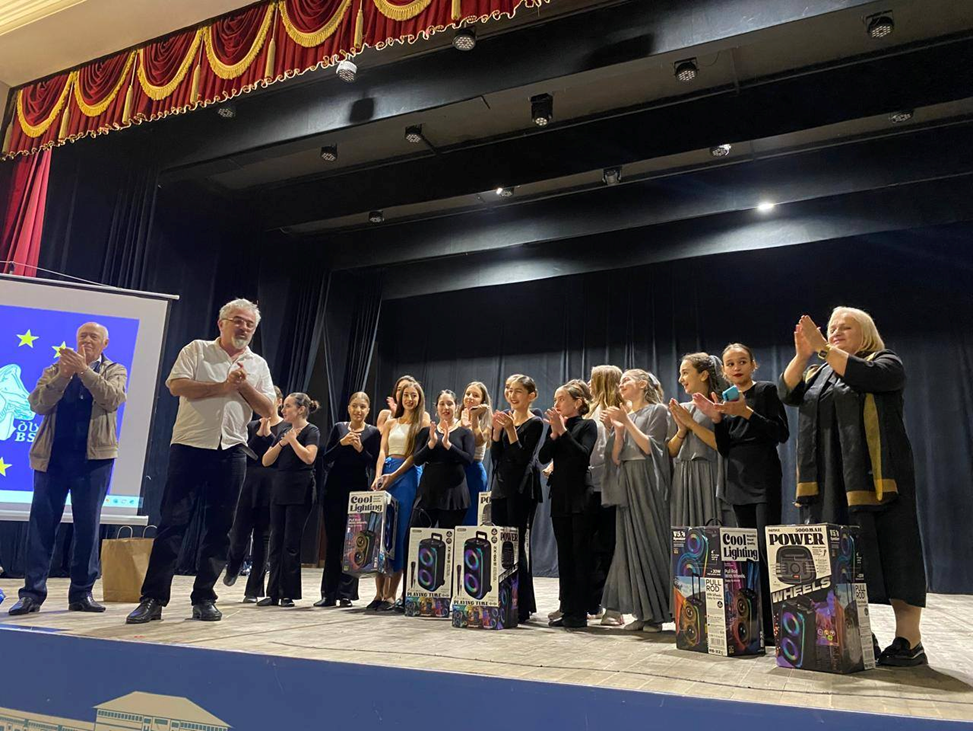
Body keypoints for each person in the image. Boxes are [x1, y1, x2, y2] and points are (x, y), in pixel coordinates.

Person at [780, 307, 927, 667]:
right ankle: (857, 633)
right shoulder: (819, 373)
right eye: (832, 328)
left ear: (866, 332)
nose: (835, 332)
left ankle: (909, 641)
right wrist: (803, 354)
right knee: (842, 562)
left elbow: (864, 376)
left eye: (845, 327)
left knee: (895, 554)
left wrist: (823, 347)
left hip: (879, 481)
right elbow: (787, 392)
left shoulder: (885, 362)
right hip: (831, 482)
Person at [127, 299, 275, 624]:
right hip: (190, 446)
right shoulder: (197, 350)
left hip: (232, 449)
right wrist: (223, 387)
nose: (244, 327)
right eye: (238, 320)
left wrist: (243, 386)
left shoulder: (258, 365)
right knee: (173, 523)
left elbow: (268, 410)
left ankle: (204, 597)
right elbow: (176, 385)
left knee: (221, 528)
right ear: (221, 323)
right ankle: (153, 599)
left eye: (250, 324)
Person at [9, 323, 127, 616]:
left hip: (94, 461)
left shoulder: (115, 370)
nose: (86, 340)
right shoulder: (54, 369)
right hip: (52, 459)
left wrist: (84, 371)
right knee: (41, 527)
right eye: (82, 336)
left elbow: (112, 399)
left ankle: (81, 593)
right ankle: (32, 594)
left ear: (105, 343)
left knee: (87, 527)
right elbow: (37, 404)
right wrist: (64, 375)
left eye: (93, 337)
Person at [692, 343, 788, 642]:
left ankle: (774, 626)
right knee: (747, 555)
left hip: (763, 476)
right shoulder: (722, 399)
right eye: (731, 363)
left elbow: (780, 433)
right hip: (736, 478)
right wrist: (717, 419)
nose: (737, 368)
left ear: (753, 364)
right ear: (723, 370)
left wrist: (746, 412)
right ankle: (753, 622)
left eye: (742, 361)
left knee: (765, 551)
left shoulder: (766, 391)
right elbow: (723, 447)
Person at [601, 369, 670, 632]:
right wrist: (618, 431)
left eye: (626, 381)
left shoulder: (657, 411)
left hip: (646, 479)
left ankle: (657, 613)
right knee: (631, 545)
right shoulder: (627, 415)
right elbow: (616, 458)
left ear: (642, 384)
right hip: (627, 478)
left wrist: (626, 421)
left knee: (651, 540)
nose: (621, 385)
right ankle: (642, 611)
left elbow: (652, 448)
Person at [540, 380, 598, 629]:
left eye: (561, 399)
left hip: (580, 496)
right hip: (560, 496)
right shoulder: (557, 427)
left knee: (579, 554)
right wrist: (554, 434)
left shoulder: (587, 425)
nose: (556, 403)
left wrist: (562, 432)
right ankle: (567, 607)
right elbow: (543, 456)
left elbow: (582, 456)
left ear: (578, 402)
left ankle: (580, 612)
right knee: (564, 556)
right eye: (555, 399)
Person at [315, 392, 381, 608]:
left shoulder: (373, 432)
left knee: (354, 543)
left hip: (358, 492)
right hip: (334, 490)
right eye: (355, 406)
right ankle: (328, 593)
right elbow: (326, 459)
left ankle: (346, 594)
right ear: (349, 408)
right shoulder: (339, 428)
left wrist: (360, 449)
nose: (358, 410)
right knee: (333, 542)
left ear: (368, 410)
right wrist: (342, 444)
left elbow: (373, 464)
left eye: (362, 407)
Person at [370, 379, 429, 611]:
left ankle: (391, 594)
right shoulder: (390, 421)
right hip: (386, 474)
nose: (410, 399)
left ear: (419, 398)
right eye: (406, 395)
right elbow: (382, 451)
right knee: (381, 534)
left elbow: (415, 455)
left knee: (400, 533)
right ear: (400, 397)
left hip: (407, 475)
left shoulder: (422, 421)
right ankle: (378, 593)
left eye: (414, 395)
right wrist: (378, 475)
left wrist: (393, 475)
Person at [257, 393, 321, 607]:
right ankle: (273, 592)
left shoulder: (312, 431)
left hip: (300, 489)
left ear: (301, 409)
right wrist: (281, 443)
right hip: (280, 488)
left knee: (291, 543)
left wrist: (293, 441)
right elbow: (266, 460)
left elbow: (309, 457)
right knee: (276, 541)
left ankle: (288, 593)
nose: (283, 410)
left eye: (288, 406)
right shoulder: (284, 431)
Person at [490, 374, 544, 623]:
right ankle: (502, 598)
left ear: (531, 396)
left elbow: (521, 459)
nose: (512, 395)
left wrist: (511, 430)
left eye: (518, 391)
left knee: (517, 545)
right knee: (500, 545)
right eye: (509, 390)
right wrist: (496, 433)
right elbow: (497, 457)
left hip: (521, 490)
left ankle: (521, 604)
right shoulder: (504, 419)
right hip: (501, 487)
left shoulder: (535, 423)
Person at [223, 387, 284, 602]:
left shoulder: (285, 428)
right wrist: (259, 435)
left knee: (263, 537)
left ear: (279, 401)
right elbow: (246, 455)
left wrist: (270, 436)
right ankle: (233, 565)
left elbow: (281, 457)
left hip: (271, 487)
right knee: (238, 534)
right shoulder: (250, 426)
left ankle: (254, 589)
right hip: (248, 485)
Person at [585, 365, 625, 626]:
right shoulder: (591, 411)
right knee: (593, 548)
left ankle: (614, 607)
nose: (589, 384)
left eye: (593, 380)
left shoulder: (618, 411)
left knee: (610, 548)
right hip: (591, 487)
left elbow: (606, 452)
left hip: (611, 486)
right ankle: (594, 602)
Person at [667, 353, 727, 527]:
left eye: (685, 373)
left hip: (709, 475)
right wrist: (682, 430)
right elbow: (671, 451)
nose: (680, 379)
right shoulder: (682, 408)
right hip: (683, 476)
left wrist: (691, 424)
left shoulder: (720, 406)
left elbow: (721, 445)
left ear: (703, 375)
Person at [412, 390, 475, 530]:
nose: (446, 407)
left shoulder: (465, 433)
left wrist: (449, 445)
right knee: (417, 535)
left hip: (454, 493)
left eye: (450, 404)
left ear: (456, 406)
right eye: (442, 404)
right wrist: (431, 443)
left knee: (448, 538)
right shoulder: (426, 432)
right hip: (428, 491)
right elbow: (417, 460)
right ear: (436, 407)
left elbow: (468, 460)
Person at [460, 381, 492, 525]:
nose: (470, 397)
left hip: (474, 473)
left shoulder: (487, 423)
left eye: (475, 395)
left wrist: (474, 417)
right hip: (456, 472)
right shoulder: (456, 419)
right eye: (468, 394)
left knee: (471, 519)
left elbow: (477, 441)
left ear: (483, 401)